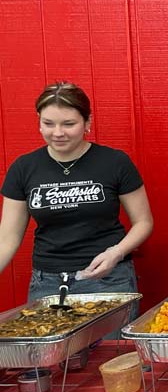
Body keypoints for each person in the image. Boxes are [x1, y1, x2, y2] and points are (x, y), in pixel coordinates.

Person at [0, 81, 153, 302]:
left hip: (108, 279)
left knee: (111, 339)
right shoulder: (24, 168)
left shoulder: (115, 162)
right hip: (48, 283)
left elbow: (143, 222)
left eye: (69, 124)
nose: (58, 133)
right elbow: (7, 238)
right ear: (39, 122)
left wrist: (116, 253)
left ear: (87, 122)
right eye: (49, 123)